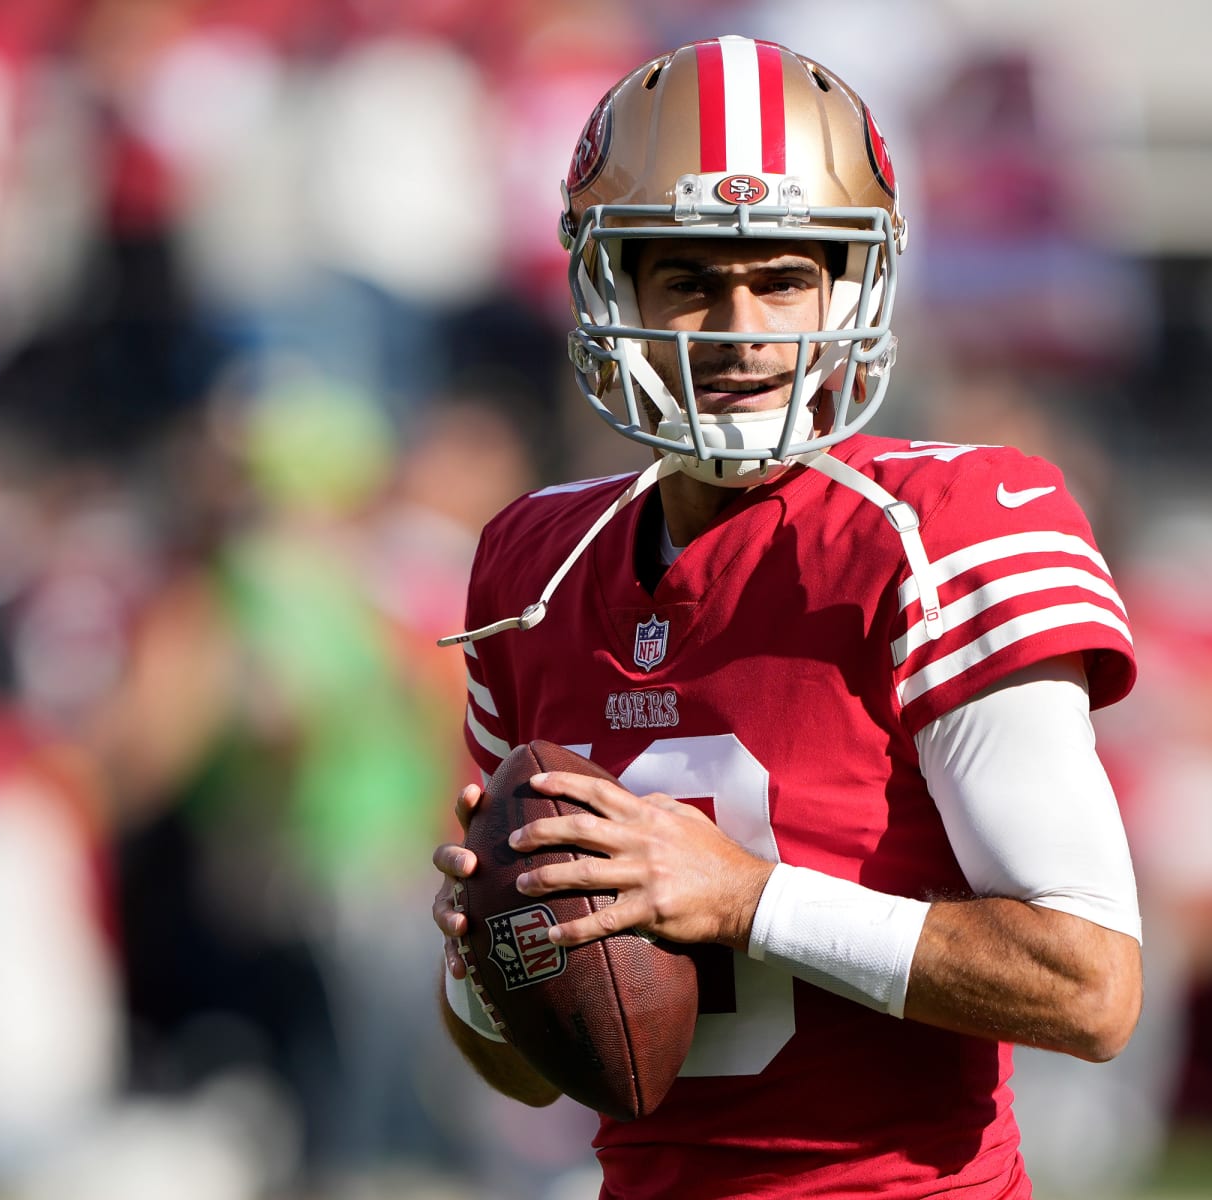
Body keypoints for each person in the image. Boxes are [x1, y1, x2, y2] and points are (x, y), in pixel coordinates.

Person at [430, 36, 1143, 1199]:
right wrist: (490, 954)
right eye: (692, 281)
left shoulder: (944, 527)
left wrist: (749, 900)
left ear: (849, 286)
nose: (743, 329)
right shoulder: (535, 563)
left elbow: (1089, 985)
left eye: (782, 277)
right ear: (616, 290)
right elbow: (523, 1075)